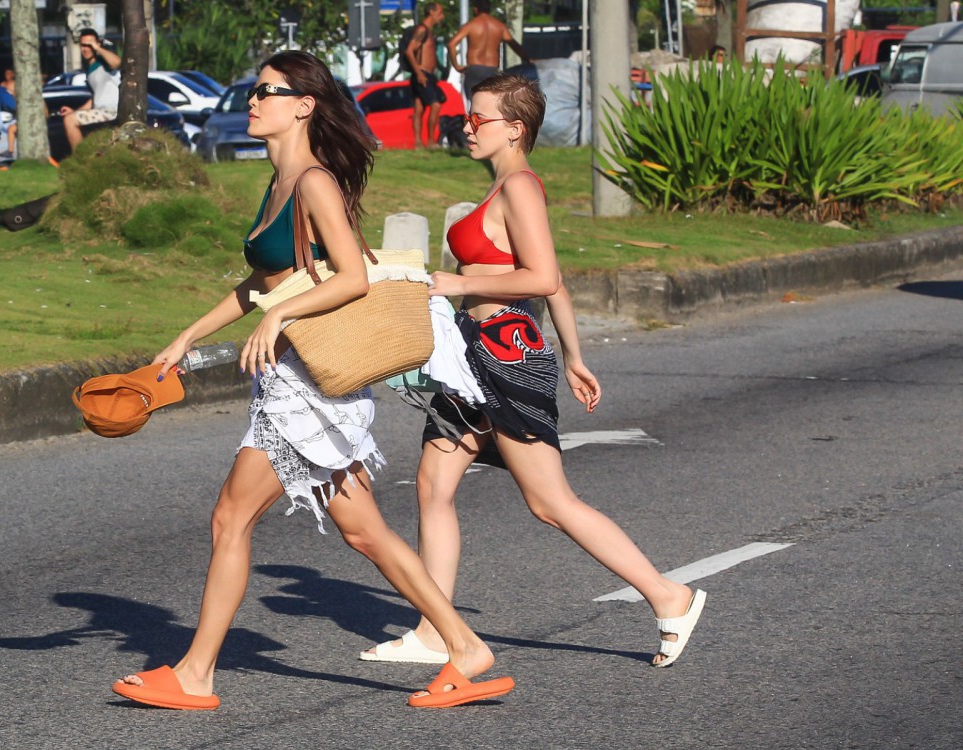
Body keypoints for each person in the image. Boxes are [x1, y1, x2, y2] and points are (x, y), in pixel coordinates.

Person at [110, 50, 513, 711]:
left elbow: (352, 275)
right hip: (300, 378)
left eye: (267, 91)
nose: (252, 101)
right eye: (255, 91)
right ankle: (465, 647)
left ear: (303, 105)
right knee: (367, 533)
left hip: (309, 386)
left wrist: (282, 316)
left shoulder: (314, 182)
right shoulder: (279, 180)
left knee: (230, 518)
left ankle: (195, 674)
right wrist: (188, 337)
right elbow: (264, 283)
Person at [360, 75, 707, 669]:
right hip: (471, 356)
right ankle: (435, 630)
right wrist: (574, 356)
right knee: (432, 485)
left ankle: (668, 595)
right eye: (468, 118)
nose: (467, 126)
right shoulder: (503, 186)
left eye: (480, 119)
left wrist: (463, 282)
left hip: (506, 356)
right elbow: (555, 280)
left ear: (515, 128)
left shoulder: (520, 186)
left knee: (549, 502)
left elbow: (542, 279)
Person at [446, 0, 533, 102]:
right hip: (491, 70)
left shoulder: (471, 25)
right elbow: (514, 45)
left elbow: (451, 44)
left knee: (474, 103)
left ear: (475, 10)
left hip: (474, 68)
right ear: (489, 10)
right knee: (490, 103)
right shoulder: (499, 26)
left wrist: (456, 66)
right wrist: (528, 60)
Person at [59, 28, 121, 150]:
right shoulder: (90, 70)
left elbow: (117, 62)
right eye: (83, 45)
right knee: (70, 119)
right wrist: (74, 111)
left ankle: (79, 159)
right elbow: (94, 99)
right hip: (100, 111)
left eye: (89, 45)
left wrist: (97, 48)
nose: (86, 49)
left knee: (70, 121)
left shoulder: (104, 62)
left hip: (112, 111)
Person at [405, 2, 448, 148]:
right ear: (431, 12)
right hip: (422, 74)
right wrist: (419, 73)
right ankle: (430, 141)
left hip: (427, 74)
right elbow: (409, 51)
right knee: (435, 105)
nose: (442, 17)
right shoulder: (422, 30)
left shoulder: (428, 31)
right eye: (440, 13)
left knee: (419, 108)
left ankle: (418, 143)